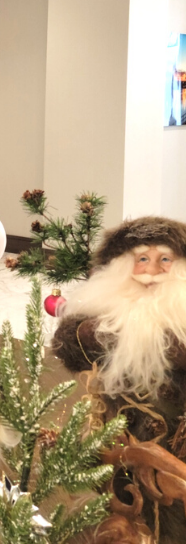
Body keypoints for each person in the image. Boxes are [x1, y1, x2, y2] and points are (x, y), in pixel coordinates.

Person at [53, 216, 186, 543]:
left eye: (164, 259)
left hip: (174, 455)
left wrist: (155, 342)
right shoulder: (99, 323)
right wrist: (118, 334)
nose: (152, 270)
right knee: (124, 508)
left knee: (171, 523)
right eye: (142, 259)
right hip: (120, 447)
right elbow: (72, 346)